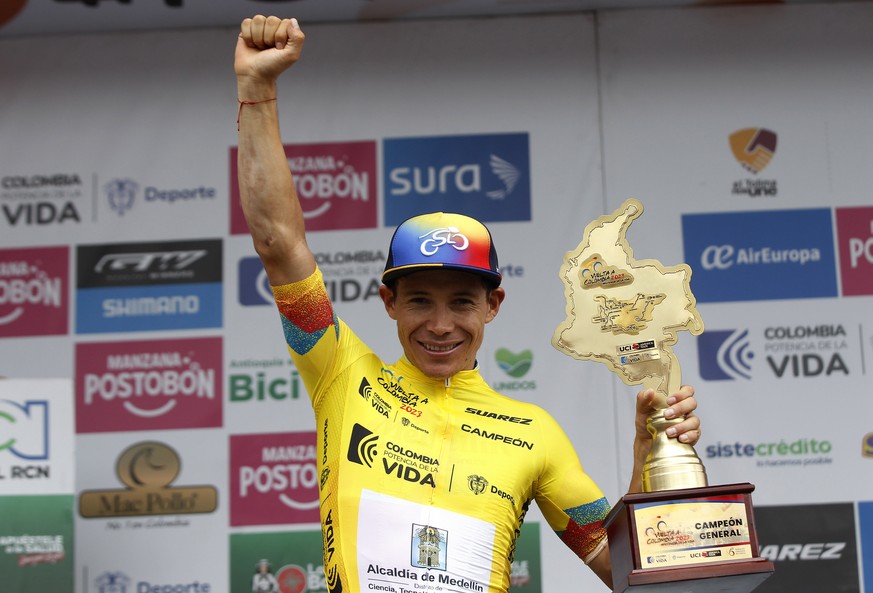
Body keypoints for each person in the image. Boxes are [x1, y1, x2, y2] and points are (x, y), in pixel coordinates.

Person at [234, 15, 702, 593]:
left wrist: (647, 453)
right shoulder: (340, 373)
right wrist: (257, 89)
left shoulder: (535, 434)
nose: (439, 324)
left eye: (461, 302)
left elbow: (628, 573)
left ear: (493, 305)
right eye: (419, 302)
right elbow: (280, 244)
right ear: (388, 303)